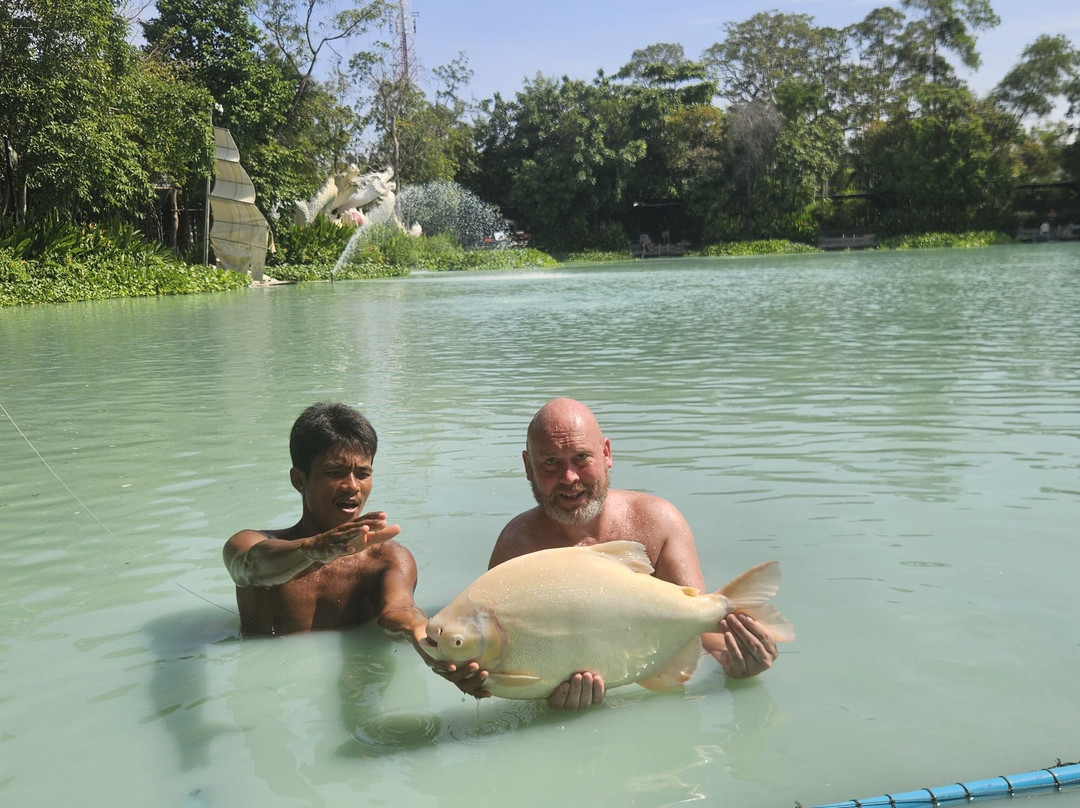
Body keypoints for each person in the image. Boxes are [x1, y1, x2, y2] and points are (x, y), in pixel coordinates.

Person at [435, 397, 781, 709]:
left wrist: (738, 665)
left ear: (607, 454)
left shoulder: (659, 521)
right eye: (551, 462)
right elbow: (499, 667)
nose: (569, 477)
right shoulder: (517, 546)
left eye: (581, 458)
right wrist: (479, 683)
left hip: (652, 706)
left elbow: (699, 629)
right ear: (528, 467)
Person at [222, 402, 428, 647]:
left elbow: (400, 610)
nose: (352, 486)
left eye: (363, 474)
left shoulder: (388, 558)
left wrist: (423, 636)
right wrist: (313, 549)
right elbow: (249, 568)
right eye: (334, 472)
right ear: (299, 480)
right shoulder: (252, 543)